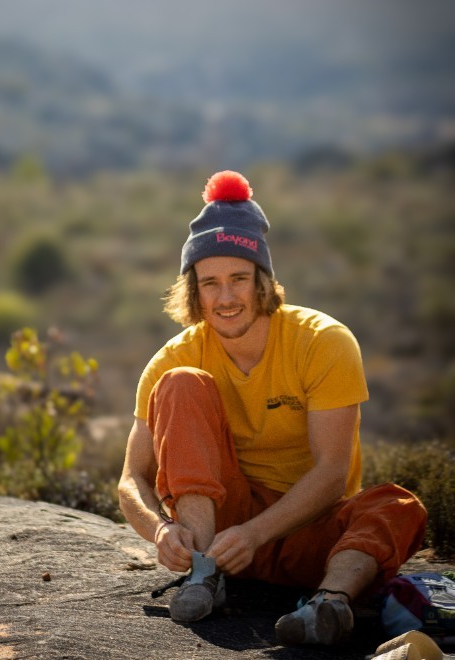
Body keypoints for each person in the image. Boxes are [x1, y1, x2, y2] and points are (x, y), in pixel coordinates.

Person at [117, 170, 427, 646]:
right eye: (210, 283)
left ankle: (328, 604)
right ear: (193, 291)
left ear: (263, 280)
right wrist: (159, 530)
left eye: (239, 279)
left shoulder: (323, 342)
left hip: (309, 530)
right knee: (180, 384)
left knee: (398, 505)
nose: (225, 298)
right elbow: (131, 479)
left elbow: (331, 473)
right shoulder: (173, 359)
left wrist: (256, 534)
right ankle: (204, 577)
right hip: (220, 535)